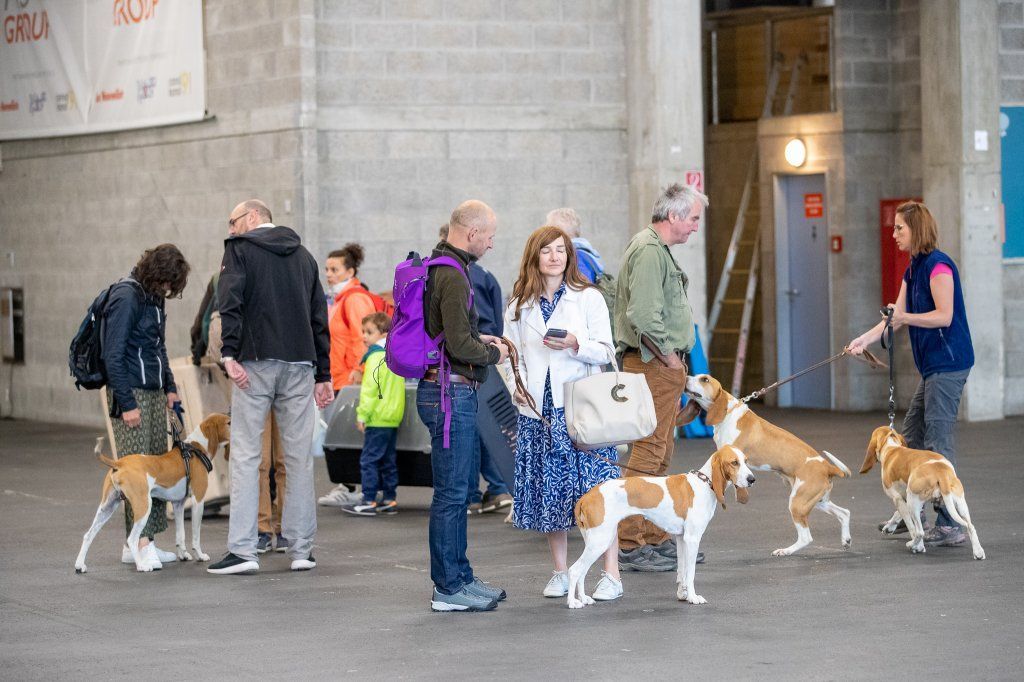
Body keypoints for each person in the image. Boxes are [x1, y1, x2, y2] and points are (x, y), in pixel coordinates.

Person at [208, 199, 334, 575]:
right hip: (299, 364)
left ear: (252, 217)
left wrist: (229, 354)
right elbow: (318, 316)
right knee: (297, 458)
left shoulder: (239, 250)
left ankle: (244, 551)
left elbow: (229, 302)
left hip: (254, 363)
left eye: (233, 221)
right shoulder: (305, 256)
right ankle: (301, 549)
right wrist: (323, 374)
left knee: (247, 456)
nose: (230, 230)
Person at [504, 225, 622, 601]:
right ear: (534, 256)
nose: (555, 256)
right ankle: (560, 572)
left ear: (570, 256)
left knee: (597, 490)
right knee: (550, 491)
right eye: (547, 250)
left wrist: (576, 344)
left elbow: (606, 350)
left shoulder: (588, 298)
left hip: (582, 407)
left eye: (561, 250)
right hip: (539, 410)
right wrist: (516, 388)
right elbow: (510, 356)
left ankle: (611, 574)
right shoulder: (518, 304)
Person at [847, 200, 974, 547]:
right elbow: (895, 317)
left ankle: (950, 524)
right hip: (932, 366)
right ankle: (911, 511)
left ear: (915, 229)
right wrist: (863, 340)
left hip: (949, 364)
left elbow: (944, 316)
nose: (894, 234)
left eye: (899, 228)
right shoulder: (913, 268)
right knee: (912, 433)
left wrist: (904, 319)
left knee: (937, 440)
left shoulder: (938, 267)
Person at [418, 200, 509, 612]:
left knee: (454, 492)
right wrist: (495, 354)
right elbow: (458, 345)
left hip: (444, 389)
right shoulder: (453, 275)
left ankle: (460, 576)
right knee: (453, 495)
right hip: (450, 394)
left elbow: (451, 335)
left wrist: (480, 341)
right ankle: (448, 587)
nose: (491, 244)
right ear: (472, 233)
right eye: (489, 236)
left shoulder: (441, 266)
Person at [615, 183, 708, 572]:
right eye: (693, 219)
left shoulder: (656, 249)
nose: (695, 228)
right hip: (654, 365)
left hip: (660, 366)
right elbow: (644, 315)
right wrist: (671, 359)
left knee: (661, 452)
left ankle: (653, 534)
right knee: (649, 452)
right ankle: (630, 543)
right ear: (673, 216)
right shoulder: (651, 251)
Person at [102, 243, 190, 571]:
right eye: (168, 283)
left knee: (155, 470)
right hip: (132, 393)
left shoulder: (153, 297)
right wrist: (126, 402)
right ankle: (140, 543)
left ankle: (141, 542)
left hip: (153, 391)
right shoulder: (127, 296)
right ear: (156, 274)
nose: (169, 290)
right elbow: (114, 353)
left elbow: (158, 347)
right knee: (137, 474)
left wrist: (169, 387)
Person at [438, 223, 513, 515]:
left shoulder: (446, 274)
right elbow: (496, 317)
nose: (490, 244)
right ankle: (496, 487)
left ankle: (472, 494)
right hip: (487, 358)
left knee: (470, 431)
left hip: (465, 363)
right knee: (490, 427)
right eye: (489, 237)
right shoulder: (482, 276)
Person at [317, 243, 379, 509]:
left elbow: (362, 338)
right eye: (327, 269)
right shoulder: (340, 299)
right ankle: (350, 484)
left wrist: (359, 371)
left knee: (347, 436)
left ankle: (354, 486)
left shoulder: (353, 299)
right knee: (343, 436)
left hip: (349, 379)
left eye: (335, 269)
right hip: (339, 376)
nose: (329, 274)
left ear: (350, 271)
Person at [340, 312, 405, 516]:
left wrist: (362, 415)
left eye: (369, 332)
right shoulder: (394, 354)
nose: (364, 336)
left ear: (382, 333)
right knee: (388, 460)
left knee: (369, 460)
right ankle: (389, 498)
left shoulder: (376, 357)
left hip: (377, 417)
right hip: (393, 417)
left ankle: (368, 499)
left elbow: (369, 390)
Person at [545, 207, 606, 284]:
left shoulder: (576, 256)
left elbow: (582, 289)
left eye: (548, 231)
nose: (545, 236)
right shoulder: (583, 253)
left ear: (559, 234)